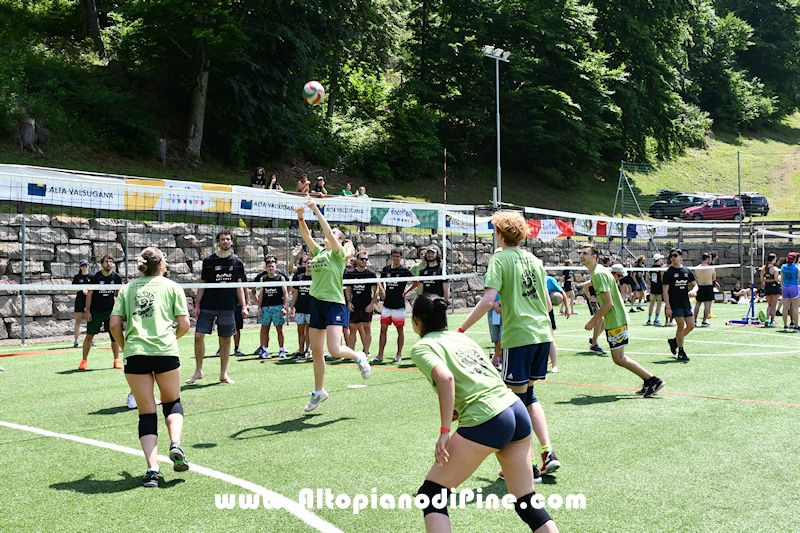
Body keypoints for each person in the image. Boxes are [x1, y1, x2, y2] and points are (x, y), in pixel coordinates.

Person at [410, 293, 558, 533]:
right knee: (526, 501)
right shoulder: (462, 339)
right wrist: (460, 406)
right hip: (515, 408)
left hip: (489, 419)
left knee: (431, 494)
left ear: (416, 320)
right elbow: (485, 374)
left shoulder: (423, 346)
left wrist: (444, 431)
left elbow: (445, 378)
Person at [458, 211, 560, 482]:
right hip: (542, 335)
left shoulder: (499, 259)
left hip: (520, 337)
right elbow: (547, 304)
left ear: (500, 234)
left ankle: (527, 469)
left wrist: (461, 329)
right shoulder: (535, 260)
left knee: (514, 402)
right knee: (529, 397)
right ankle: (548, 452)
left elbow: (487, 300)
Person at [109, 247, 191, 487]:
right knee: (172, 402)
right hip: (165, 350)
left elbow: (114, 324)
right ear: (162, 264)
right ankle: (175, 443)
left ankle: (152, 470)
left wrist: (126, 347)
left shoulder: (127, 289)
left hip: (135, 354)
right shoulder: (173, 287)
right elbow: (184, 324)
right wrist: (171, 340)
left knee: (146, 413)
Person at [295, 197, 371, 412]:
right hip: (316, 303)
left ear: (339, 240)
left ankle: (359, 356)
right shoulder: (319, 253)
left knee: (335, 349)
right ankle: (319, 392)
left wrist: (315, 209)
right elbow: (307, 235)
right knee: (317, 352)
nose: (329, 235)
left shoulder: (338, 255)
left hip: (334, 304)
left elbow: (327, 232)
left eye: (335, 235)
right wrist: (301, 216)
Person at [580, 244, 665, 397]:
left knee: (619, 358)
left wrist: (592, 321)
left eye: (585, 253)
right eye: (581, 253)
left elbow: (608, 303)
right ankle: (649, 380)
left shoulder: (599, 273)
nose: (581, 255)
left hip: (616, 320)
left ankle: (653, 380)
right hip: (614, 319)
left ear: (594, 257)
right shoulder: (597, 272)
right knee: (619, 358)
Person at [187, 230, 248, 385]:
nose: (225, 241)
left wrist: (244, 306)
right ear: (218, 242)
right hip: (208, 305)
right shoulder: (209, 261)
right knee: (198, 336)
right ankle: (198, 371)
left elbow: (239, 287)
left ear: (232, 242)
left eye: (228, 239)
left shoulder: (237, 263)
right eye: (222, 239)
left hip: (227, 306)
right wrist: (197, 304)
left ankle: (223, 374)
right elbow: (203, 285)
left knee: (226, 339)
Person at [78, 255, 123, 370]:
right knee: (89, 336)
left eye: (111, 261)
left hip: (110, 311)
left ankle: (116, 360)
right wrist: (87, 311)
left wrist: (120, 311)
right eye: (106, 261)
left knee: (114, 336)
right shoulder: (95, 277)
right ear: (102, 264)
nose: (109, 263)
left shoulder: (116, 277)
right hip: (95, 311)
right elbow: (89, 294)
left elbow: (118, 295)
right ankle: (84, 361)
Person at [374, 249, 414, 363]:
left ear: (401, 257)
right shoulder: (386, 270)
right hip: (387, 305)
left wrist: (405, 292)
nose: (396, 258)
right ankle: (380, 355)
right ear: (391, 257)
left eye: (398, 256)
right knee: (383, 330)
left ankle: (399, 354)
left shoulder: (404, 270)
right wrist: (384, 289)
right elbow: (381, 281)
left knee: (399, 331)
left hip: (399, 306)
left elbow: (416, 282)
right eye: (394, 256)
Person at [252, 255, 289, 358]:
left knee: (279, 329)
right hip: (266, 308)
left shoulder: (280, 278)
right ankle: (265, 350)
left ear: (275, 267)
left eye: (272, 266)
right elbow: (261, 294)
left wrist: (285, 307)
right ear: (266, 268)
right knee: (264, 329)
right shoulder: (263, 279)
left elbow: (286, 293)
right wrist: (259, 307)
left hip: (278, 306)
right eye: (269, 266)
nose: (271, 268)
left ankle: (281, 350)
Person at [663, 248, 696, 361]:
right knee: (680, 326)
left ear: (681, 256)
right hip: (675, 303)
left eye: (675, 255)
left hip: (685, 303)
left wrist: (694, 291)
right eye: (671, 256)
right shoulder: (669, 272)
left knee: (691, 326)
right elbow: (665, 291)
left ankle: (674, 341)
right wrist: (668, 306)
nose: (673, 257)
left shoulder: (687, 271)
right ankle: (681, 351)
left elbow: (695, 285)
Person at [345, 251, 379, 356]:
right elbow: (348, 289)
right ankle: (351, 353)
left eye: (366, 259)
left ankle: (365, 352)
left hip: (366, 306)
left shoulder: (371, 274)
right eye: (362, 259)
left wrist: (371, 304)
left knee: (367, 328)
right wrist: (348, 302)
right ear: (357, 260)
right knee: (352, 329)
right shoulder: (350, 274)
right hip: (355, 305)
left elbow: (376, 290)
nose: (364, 261)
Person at [290, 256, 313, 358]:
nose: (309, 265)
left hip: (311, 309)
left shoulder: (316, 278)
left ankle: (309, 349)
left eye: (311, 264)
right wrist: (292, 307)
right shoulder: (300, 277)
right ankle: (301, 350)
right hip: (300, 308)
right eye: (308, 263)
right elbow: (295, 293)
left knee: (309, 330)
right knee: (300, 331)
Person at [545, 275, 569, 373]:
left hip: (547, 310)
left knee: (550, 337)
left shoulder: (549, 279)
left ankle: (554, 365)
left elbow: (562, 293)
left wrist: (567, 307)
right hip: (534, 311)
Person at [692, 252, 719, 327]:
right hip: (708, 286)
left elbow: (697, 277)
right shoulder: (711, 268)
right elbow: (714, 278)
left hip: (700, 286)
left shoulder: (697, 268)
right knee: (707, 305)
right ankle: (704, 321)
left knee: (698, 304)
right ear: (707, 259)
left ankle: (694, 321)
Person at [72, 259, 92, 348]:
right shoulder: (77, 277)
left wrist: (88, 291)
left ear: (88, 266)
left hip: (90, 300)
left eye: (86, 265)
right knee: (78, 320)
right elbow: (72, 290)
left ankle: (91, 340)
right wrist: (81, 288)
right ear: (80, 267)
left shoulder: (92, 277)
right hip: (80, 300)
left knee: (90, 320)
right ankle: (76, 341)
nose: (84, 267)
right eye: (82, 266)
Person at [780, 251, 799, 332]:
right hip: (794, 287)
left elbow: (782, 279)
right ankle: (796, 326)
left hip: (785, 287)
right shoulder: (796, 268)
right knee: (795, 307)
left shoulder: (783, 267)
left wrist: (782, 287)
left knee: (785, 308)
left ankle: (785, 325)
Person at [761, 253, 781, 327]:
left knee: (769, 305)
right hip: (774, 286)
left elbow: (762, 279)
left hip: (767, 287)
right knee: (773, 305)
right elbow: (776, 279)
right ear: (773, 259)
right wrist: (779, 279)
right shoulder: (775, 269)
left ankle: (767, 319)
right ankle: (772, 321)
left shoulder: (763, 268)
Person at [646, 254, 665, 325]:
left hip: (653, 289)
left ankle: (649, 319)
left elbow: (650, 278)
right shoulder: (661, 268)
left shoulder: (651, 268)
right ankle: (656, 319)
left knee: (651, 304)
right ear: (659, 259)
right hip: (659, 289)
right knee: (659, 304)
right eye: (661, 259)